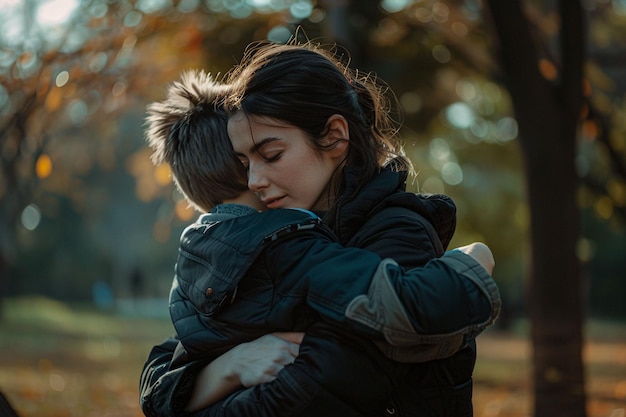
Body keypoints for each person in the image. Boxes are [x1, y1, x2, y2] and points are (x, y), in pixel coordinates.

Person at [140, 43, 498, 417]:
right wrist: (227, 368)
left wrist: (469, 267)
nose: (255, 180)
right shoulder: (282, 240)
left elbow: (314, 394)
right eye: (245, 162)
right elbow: (166, 366)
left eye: (271, 155)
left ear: (334, 137)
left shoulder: (396, 231)